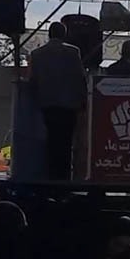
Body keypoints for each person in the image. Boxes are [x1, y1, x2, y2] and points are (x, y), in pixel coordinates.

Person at [28, 22, 88, 181]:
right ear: (64, 35)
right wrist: (83, 101)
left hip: (47, 105)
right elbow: (80, 78)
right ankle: (64, 178)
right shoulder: (73, 52)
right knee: (66, 143)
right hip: (68, 106)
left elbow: (33, 81)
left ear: (49, 34)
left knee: (50, 142)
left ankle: (50, 176)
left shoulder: (37, 54)